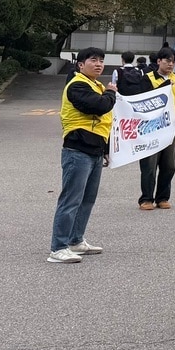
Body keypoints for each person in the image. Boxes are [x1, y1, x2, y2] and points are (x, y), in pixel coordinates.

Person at [50, 47, 116, 264]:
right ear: (80, 65)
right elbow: (98, 107)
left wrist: (105, 151)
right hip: (77, 150)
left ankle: (75, 240)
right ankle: (58, 248)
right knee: (71, 200)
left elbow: (104, 122)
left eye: (101, 61)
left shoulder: (95, 86)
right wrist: (111, 93)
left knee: (87, 199)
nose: (98, 64)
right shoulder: (78, 85)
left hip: (94, 150)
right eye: (93, 60)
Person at [138, 47, 175, 210]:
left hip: (171, 128)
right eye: (167, 60)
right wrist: (166, 85)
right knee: (149, 165)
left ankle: (162, 197)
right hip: (151, 128)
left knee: (169, 166)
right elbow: (143, 101)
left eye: (173, 61)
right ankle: (146, 198)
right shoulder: (147, 79)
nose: (171, 64)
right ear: (159, 61)